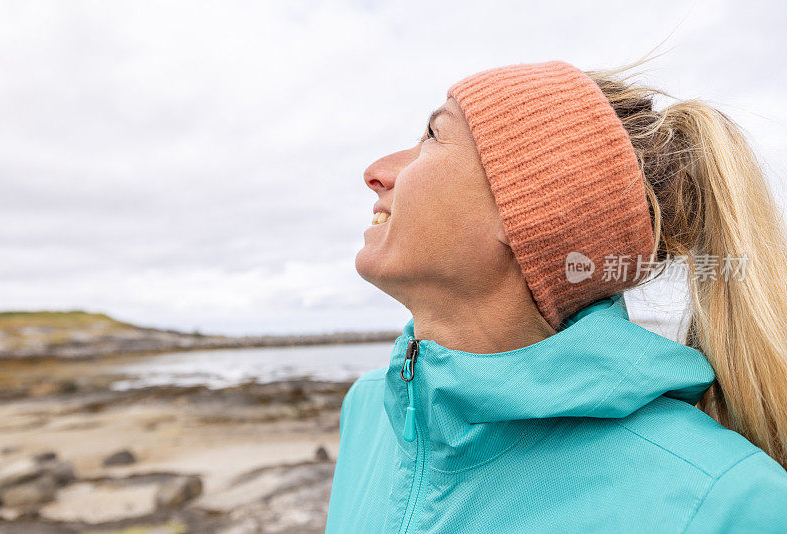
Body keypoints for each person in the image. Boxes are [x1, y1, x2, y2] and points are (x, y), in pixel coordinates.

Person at [325, 57, 787, 533]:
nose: (376, 172)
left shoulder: (728, 504)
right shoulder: (368, 413)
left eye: (434, 136)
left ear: (527, 216)